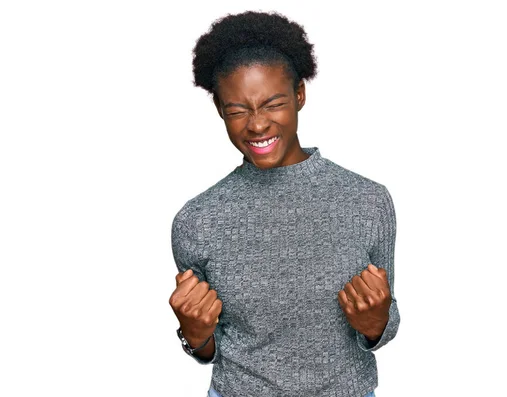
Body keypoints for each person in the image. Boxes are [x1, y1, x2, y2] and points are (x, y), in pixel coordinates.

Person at [168, 10, 399, 397]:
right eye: (238, 110)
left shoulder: (367, 202)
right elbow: (209, 345)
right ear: (221, 111)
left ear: (299, 95)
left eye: (272, 103)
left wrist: (377, 322)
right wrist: (194, 337)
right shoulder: (197, 220)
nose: (256, 125)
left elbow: (382, 325)